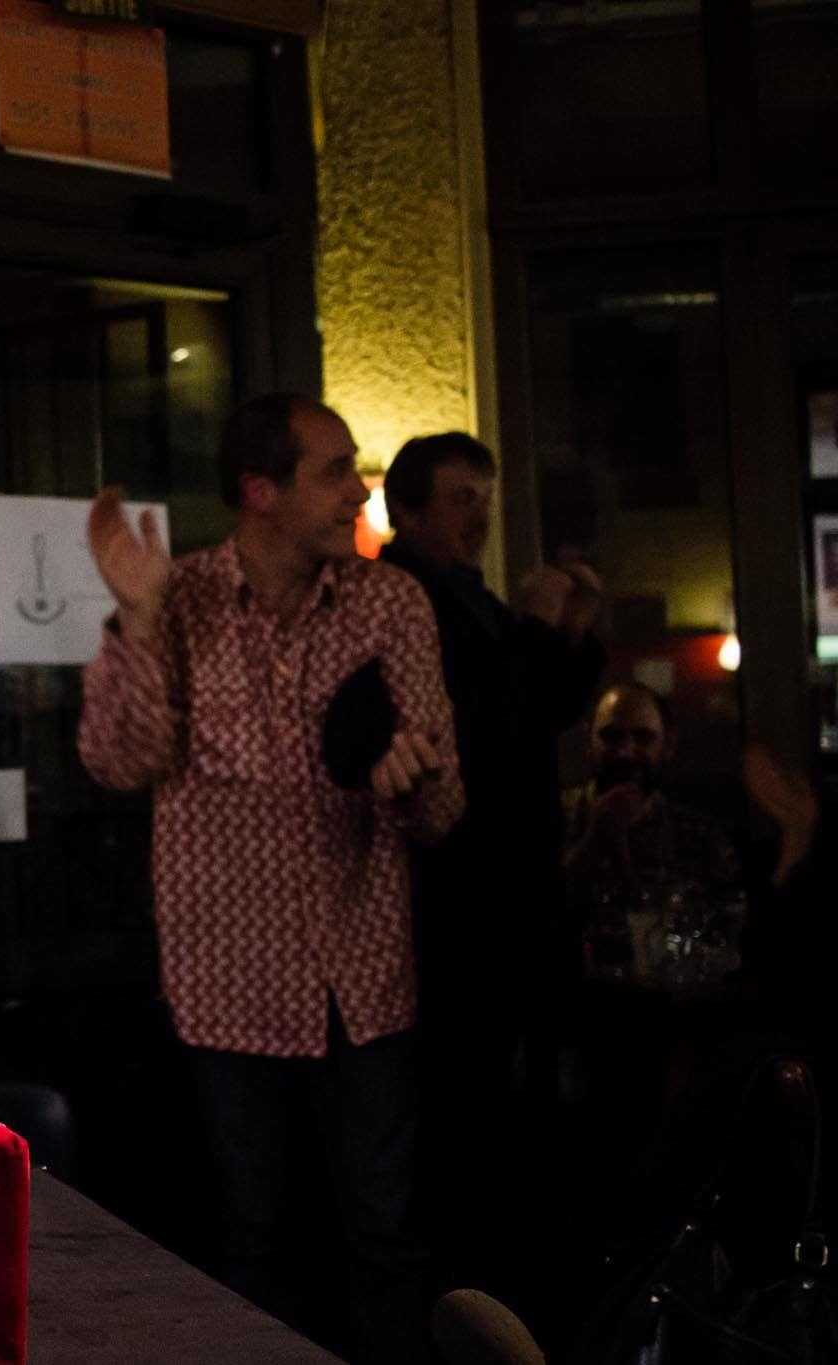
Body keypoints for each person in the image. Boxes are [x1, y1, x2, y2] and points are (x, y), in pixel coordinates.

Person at [79, 393, 464, 1364]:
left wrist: (406, 783)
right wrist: (134, 614)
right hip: (228, 985)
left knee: (384, 1229)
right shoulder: (182, 597)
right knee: (253, 1234)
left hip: (360, 977)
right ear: (260, 490)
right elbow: (118, 762)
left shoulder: (391, 603)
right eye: (333, 471)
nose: (356, 491)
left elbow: (443, 808)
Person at [379, 432, 605, 1302]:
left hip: (514, 898)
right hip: (455, 905)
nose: (479, 516)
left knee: (521, 1107)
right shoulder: (402, 599)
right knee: (467, 1111)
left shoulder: (471, 597)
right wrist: (543, 630)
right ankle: (477, 1296)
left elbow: (543, 703)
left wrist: (572, 636)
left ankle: (529, 1278)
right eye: (460, 498)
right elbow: (491, 718)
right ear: (408, 508)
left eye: (485, 495)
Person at [563, 682, 738, 927]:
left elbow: (727, 924)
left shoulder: (697, 835)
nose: (626, 752)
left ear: (668, 745)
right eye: (611, 737)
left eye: (643, 738)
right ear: (587, 742)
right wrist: (593, 842)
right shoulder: (554, 818)